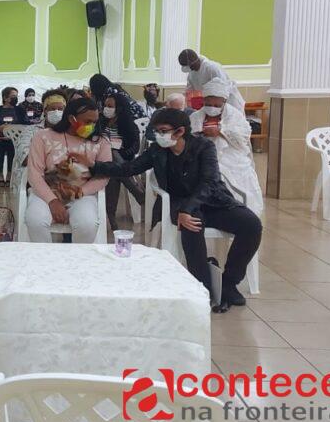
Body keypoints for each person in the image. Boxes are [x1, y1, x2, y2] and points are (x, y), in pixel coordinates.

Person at [90, 108, 261, 312]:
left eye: (163, 131)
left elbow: (209, 182)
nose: (158, 135)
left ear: (180, 131)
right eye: (156, 131)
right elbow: (129, 168)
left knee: (251, 225)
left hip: (212, 201)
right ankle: (203, 287)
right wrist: (94, 166)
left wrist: (188, 209)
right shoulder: (157, 151)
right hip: (179, 203)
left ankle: (229, 283)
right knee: (191, 226)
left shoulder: (203, 147)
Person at [25, 98, 112, 243]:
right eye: (87, 122)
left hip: (82, 194)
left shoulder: (101, 141)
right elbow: (34, 174)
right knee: (35, 221)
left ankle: (77, 257)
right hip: (46, 192)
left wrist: (78, 192)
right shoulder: (43, 136)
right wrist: (52, 201)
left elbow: (103, 176)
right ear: (72, 119)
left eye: (94, 122)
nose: (92, 126)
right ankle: (43, 256)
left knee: (87, 224)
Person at [190, 78, 264, 216]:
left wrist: (221, 132)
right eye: (208, 104)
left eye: (216, 105)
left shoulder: (234, 115)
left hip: (230, 154)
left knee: (227, 176)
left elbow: (243, 136)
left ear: (223, 102)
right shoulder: (196, 116)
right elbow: (188, 137)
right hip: (203, 154)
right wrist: (200, 133)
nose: (212, 108)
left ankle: (238, 213)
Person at [100, 93, 145, 231]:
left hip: (121, 159)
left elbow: (135, 147)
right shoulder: (100, 122)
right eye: (105, 105)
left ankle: (112, 219)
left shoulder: (128, 124)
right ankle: (136, 191)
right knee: (110, 153)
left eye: (110, 106)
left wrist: (121, 153)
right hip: (101, 159)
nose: (106, 108)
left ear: (119, 108)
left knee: (113, 171)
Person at [178, 49, 245, 112]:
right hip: (213, 104)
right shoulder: (192, 73)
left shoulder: (212, 68)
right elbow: (188, 91)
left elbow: (222, 88)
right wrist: (179, 100)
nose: (189, 69)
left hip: (229, 103)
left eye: (188, 66)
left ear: (193, 63)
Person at [0, 86, 26, 187]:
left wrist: (14, 132)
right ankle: (0, 174)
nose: (15, 98)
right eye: (13, 96)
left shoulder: (20, 110)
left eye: (16, 96)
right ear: (5, 98)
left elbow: (26, 126)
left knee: (13, 147)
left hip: (15, 140)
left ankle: (9, 174)